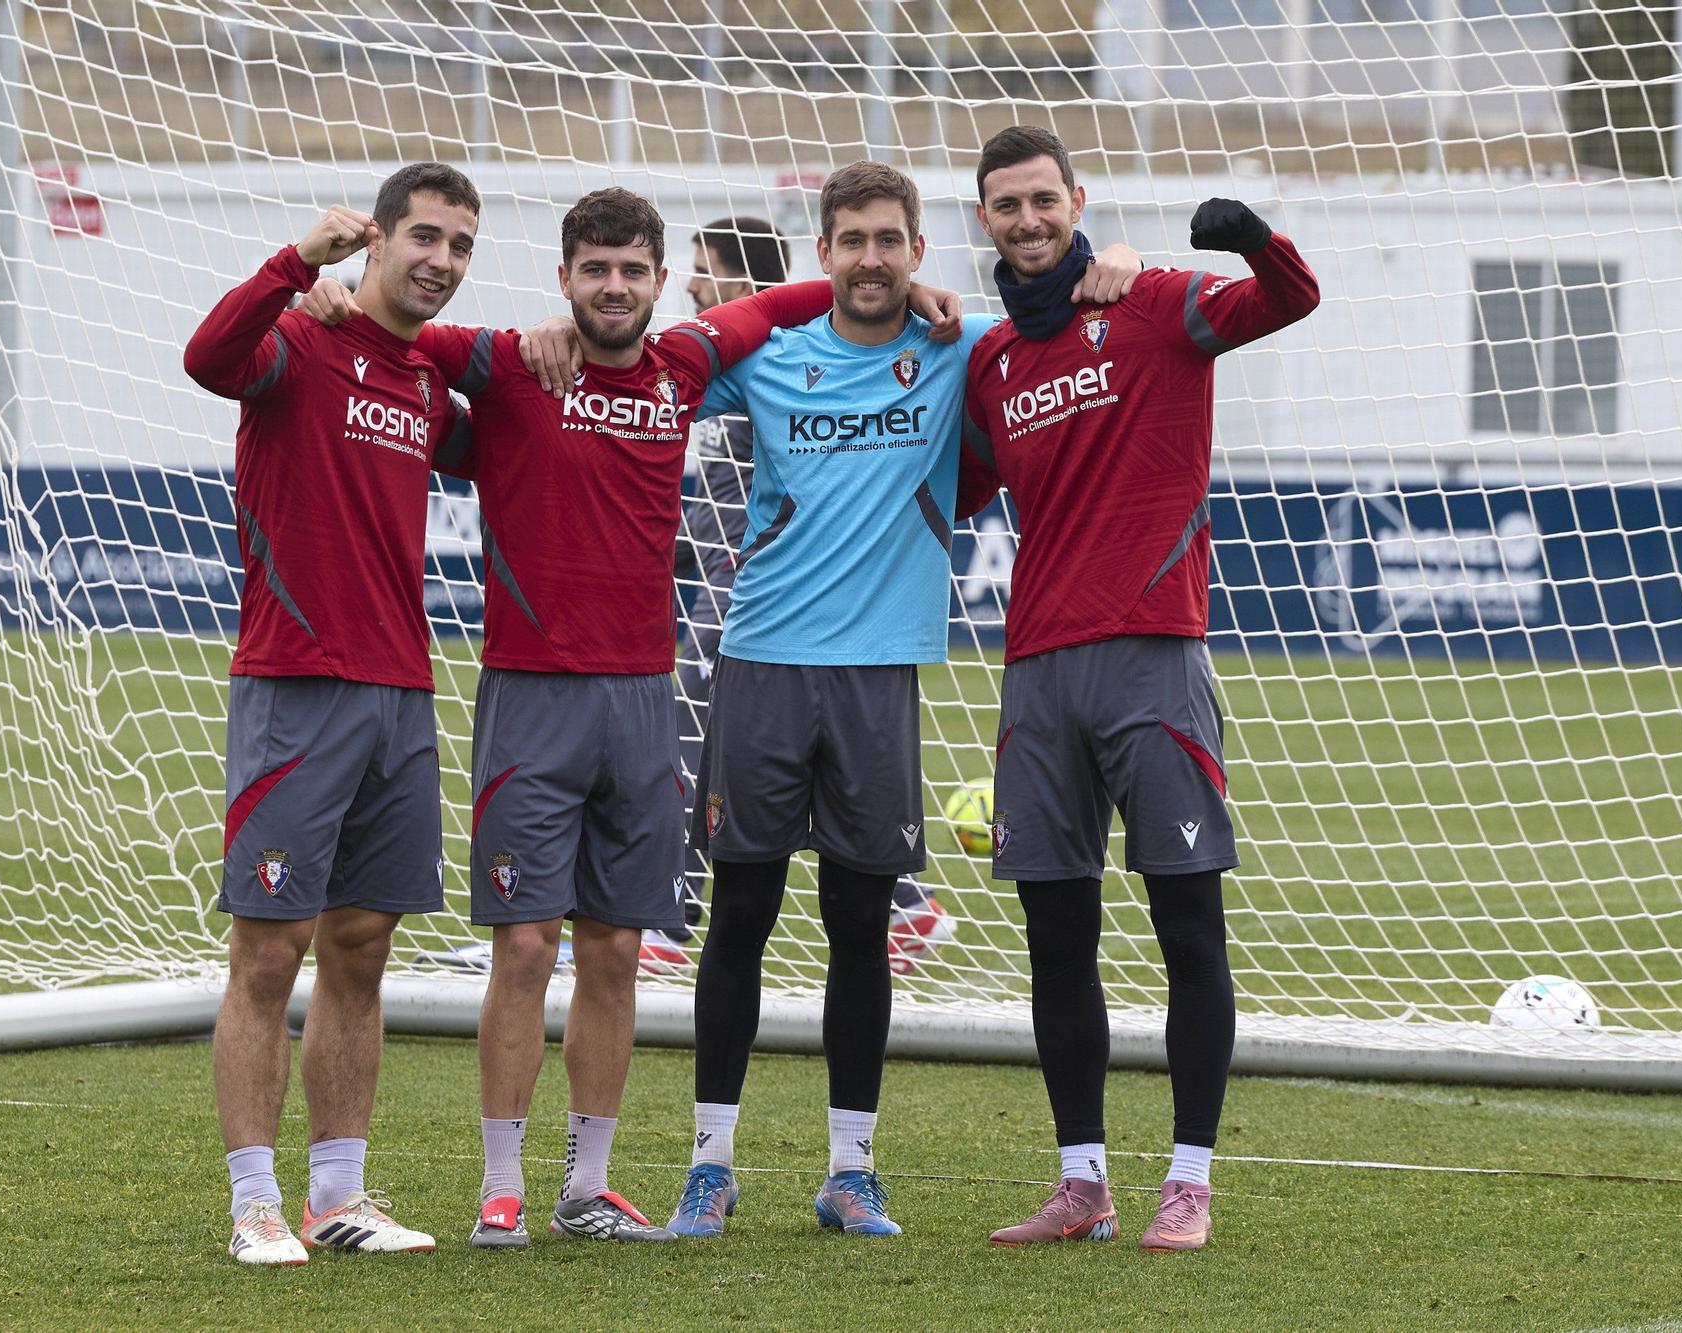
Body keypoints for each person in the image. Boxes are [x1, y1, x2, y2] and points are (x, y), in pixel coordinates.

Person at [301, 187, 962, 1247]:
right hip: (528, 699)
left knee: (613, 947)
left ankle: (590, 1186)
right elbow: (403, 321)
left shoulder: (688, 365)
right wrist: (324, 289)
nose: (614, 288)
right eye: (593, 270)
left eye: (633, 271)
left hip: (644, 704)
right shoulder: (510, 360)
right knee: (524, 948)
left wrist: (907, 284)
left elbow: (800, 293)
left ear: (660, 283)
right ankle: (502, 1187)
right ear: (563, 277)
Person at [665, 161, 1140, 1239]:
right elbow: (671, 362)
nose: (871, 258)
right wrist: (765, 300)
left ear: (919, 252)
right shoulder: (773, 357)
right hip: (761, 665)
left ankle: (849, 1170)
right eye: (851, 241)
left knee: (857, 928)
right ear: (823, 252)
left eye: (889, 239)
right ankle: (708, 1164)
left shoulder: (957, 349)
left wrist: (1113, 262)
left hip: (880, 677)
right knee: (737, 914)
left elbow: (1055, 305)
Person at [956, 126, 1319, 1252]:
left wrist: (1250, 236)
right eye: (1004, 206)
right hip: (1035, 676)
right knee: (1053, 933)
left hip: (1153, 657)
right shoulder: (988, 364)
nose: (1026, 221)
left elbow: (1290, 298)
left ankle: (1189, 1180)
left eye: (1041, 200)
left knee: (1185, 922)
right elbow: (947, 483)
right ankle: (1080, 1183)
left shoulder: (1157, 303)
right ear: (984, 221)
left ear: (1075, 199)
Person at [183, 162, 487, 1266]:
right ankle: (254, 1204)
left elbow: (510, 429)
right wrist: (293, 265)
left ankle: (338, 1198)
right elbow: (207, 356)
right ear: (374, 241)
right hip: (294, 688)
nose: (440, 261)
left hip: (401, 693)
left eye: (459, 245)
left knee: (361, 947)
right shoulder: (292, 339)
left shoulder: (422, 384)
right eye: (424, 236)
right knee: (268, 955)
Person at [651, 218, 952, 977]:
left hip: (757, 593)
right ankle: (909, 902)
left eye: (702, 268)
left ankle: (672, 916)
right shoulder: (746, 361)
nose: (691, 283)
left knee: (688, 731)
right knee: (694, 732)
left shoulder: (777, 355)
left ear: (743, 284)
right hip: (724, 578)